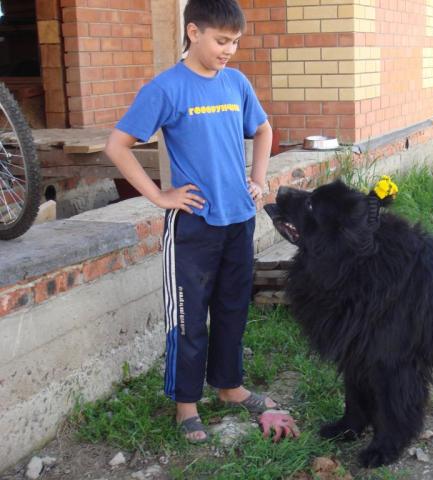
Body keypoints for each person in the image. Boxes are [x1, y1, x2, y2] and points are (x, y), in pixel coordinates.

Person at [105, 0, 275, 443]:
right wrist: (160, 195)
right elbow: (118, 146)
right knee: (189, 318)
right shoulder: (165, 89)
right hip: (193, 227)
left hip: (239, 219)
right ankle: (186, 405)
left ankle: (230, 387)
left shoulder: (236, 83)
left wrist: (257, 179)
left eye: (235, 42)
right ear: (193, 31)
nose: (229, 51)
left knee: (234, 310)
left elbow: (263, 129)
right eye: (221, 41)